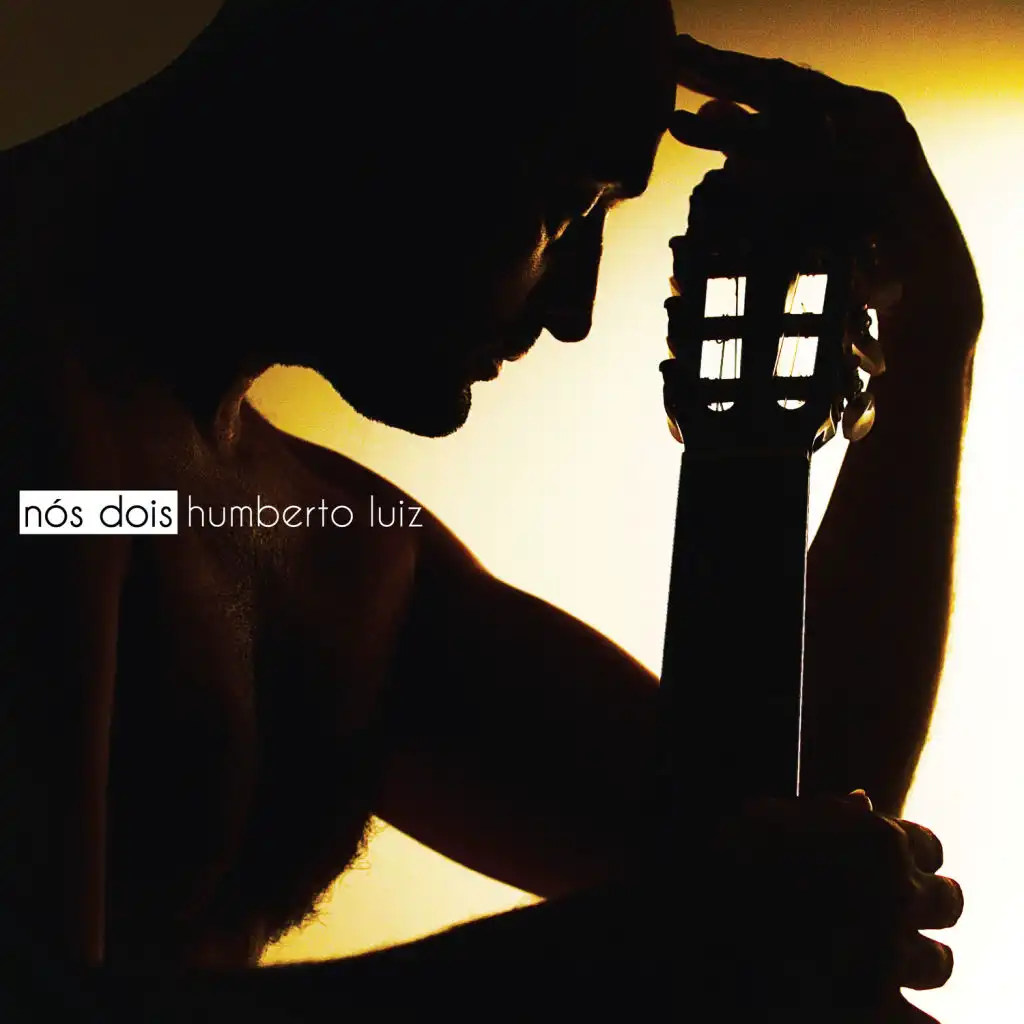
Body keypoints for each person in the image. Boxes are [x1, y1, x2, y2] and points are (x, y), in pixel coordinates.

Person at [1, 0, 979, 1019]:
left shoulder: (330, 540)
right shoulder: (37, 420)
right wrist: (648, 947)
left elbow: (788, 840)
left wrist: (931, 333)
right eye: (565, 206)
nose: (573, 309)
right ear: (386, 100)